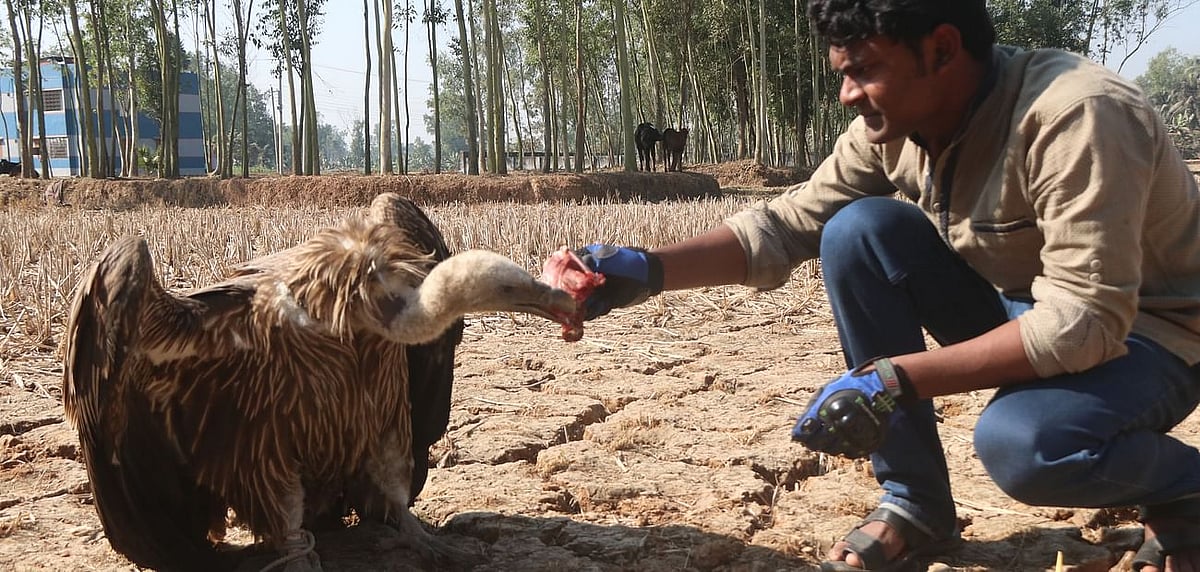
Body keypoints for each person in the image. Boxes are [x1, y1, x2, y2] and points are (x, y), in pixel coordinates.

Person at [561, 1, 1200, 571]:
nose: (846, 93)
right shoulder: (897, 126)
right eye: (842, 72)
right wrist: (645, 270)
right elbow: (787, 225)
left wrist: (892, 380)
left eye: (863, 70)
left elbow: (1084, 323)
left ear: (943, 49)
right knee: (859, 230)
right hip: (1025, 307)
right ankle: (917, 504)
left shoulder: (1076, 115)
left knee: (1027, 444)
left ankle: (1185, 488)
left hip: (1152, 336)